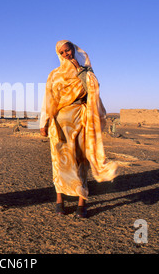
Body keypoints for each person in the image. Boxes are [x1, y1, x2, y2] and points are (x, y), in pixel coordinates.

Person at [40, 40, 119, 218]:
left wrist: (80, 69)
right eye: (62, 52)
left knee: (80, 160)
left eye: (68, 50)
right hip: (59, 123)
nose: (66, 54)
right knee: (59, 161)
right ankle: (59, 201)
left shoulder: (86, 71)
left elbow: (93, 88)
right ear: (58, 55)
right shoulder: (54, 74)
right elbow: (48, 99)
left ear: (74, 50)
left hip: (80, 120)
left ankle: (82, 202)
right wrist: (44, 123)